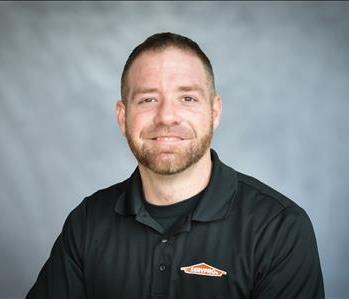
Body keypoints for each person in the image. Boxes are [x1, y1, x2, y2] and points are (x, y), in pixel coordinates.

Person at [27, 32, 324, 299]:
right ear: (122, 117)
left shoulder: (278, 228)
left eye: (187, 97)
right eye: (148, 99)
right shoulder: (88, 222)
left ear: (214, 111)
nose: (167, 117)